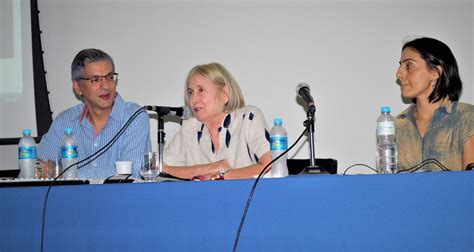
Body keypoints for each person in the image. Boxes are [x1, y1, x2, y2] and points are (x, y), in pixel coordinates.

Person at [38, 48, 151, 178]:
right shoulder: (65, 121)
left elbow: (132, 171)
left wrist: (63, 173)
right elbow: (39, 167)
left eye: (109, 77)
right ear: (78, 87)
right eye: (95, 80)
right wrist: (46, 170)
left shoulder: (134, 117)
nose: (106, 86)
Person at [163, 62, 271, 180]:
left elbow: (271, 166)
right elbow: (163, 167)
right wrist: (208, 168)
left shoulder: (248, 118)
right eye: (190, 92)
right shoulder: (190, 126)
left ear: (225, 93)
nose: (193, 99)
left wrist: (221, 176)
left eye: (201, 90)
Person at [395, 37, 474, 171]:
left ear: (435, 72)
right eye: (400, 66)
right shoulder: (398, 125)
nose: (399, 74)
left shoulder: (467, 117)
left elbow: (470, 181)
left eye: (408, 66)